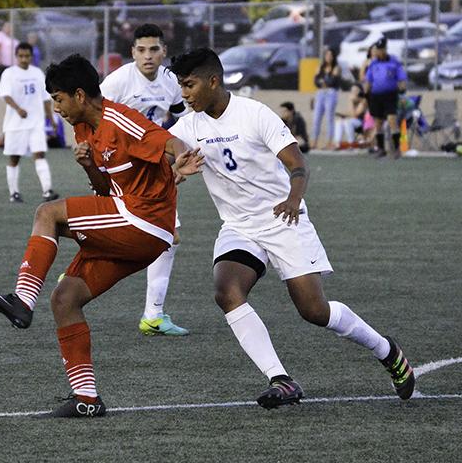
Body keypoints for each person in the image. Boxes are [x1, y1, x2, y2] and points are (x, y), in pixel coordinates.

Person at [168, 48, 415, 409]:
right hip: (239, 226)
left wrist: (293, 200)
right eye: (180, 86)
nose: (184, 94)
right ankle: (281, 379)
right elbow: (165, 145)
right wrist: (174, 162)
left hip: (285, 220)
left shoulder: (254, 114)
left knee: (314, 311)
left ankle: (387, 350)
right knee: (227, 291)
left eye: (189, 85)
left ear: (213, 81)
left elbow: (298, 166)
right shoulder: (190, 123)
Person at [0, 54, 203, 418]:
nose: (57, 108)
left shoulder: (121, 120)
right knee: (65, 299)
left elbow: (167, 140)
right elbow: (105, 191)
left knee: (47, 213)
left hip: (146, 221)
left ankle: (22, 300)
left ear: (79, 95)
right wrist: (90, 166)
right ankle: (86, 399)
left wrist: (182, 157)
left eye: (59, 99)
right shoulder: (84, 129)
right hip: (128, 224)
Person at [99, 23, 191, 336]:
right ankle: (150, 313)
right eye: (141, 50)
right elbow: (93, 117)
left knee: (164, 236)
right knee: (163, 236)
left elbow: (182, 120)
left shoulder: (170, 82)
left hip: (153, 164)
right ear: (132, 52)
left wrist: (176, 156)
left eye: (154, 49)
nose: (147, 56)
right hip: (123, 165)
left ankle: (152, 313)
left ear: (164, 51)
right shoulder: (118, 81)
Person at [0, 42, 59, 203]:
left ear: (31, 57)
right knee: (14, 157)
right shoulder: (9, 73)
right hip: (15, 124)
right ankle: (14, 192)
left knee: (39, 154)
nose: (24, 59)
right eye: (21, 56)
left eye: (27, 56)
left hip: (36, 122)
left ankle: (47, 190)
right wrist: (18, 109)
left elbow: (46, 99)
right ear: (16, 56)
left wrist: (51, 120)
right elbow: (5, 95)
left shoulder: (38, 73)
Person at [364, 37, 407, 159]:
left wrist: (402, 88)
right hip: (376, 96)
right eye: (377, 50)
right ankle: (381, 149)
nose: (378, 52)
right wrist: (366, 93)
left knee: (392, 119)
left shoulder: (394, 62)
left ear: (385, 50)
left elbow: (401, 78)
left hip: (390, 95)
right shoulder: (374, 63)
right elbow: (368, 80)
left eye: (380, 49)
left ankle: (397, 148)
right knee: (378, 122)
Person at [311, 48, 341, 149]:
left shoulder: (336, 67)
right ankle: (314, 141)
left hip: (331, 93)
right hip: (320, 93)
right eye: (327, 55)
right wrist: (324, 81)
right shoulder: (320, 67)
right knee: (316, 118)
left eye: (330, 55)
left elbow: (332, 82)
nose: (328, 57)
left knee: (329, 118)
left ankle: (329, 142)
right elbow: (315, 81)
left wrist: (323, 81)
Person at [0, 21, 19, 93]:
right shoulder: (0, 35)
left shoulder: (12, 38)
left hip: (11, 63)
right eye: (7, 27)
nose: (9, 29)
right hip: (1, 63)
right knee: (1, 78)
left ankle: (9, 93)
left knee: (11, 79)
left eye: (10, 27)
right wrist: (0, 59)